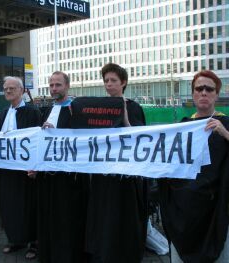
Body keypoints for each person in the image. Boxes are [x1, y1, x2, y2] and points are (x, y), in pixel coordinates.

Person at [160, 70, 229, 262]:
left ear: (216, 94)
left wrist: (225, 133)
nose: (204, 93)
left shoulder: (226, 124)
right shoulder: (182, 126)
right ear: (193, 94)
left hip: (215, 210)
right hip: (183, 211)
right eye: (199, 88)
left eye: (209, 89)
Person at [85, 63, 148, 263]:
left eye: (113, 80)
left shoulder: (133, 107)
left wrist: (125, 115)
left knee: (123, 215)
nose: (109, 84)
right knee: (103, 215)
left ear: (124, 83)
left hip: (125, 176)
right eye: (106, 81)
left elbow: (139, 138)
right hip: (103, 173)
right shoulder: (98, 107)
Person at [38, 71, 89, 263]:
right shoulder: (45, 110)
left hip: (70, 178)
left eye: (57, 85)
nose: (53, 89)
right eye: (51, 85)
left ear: (67, 86)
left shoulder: (76, 110)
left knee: (68, 219)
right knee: (50, 218)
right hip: (48, 177)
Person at [0, 76, 41, 260]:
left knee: (28, 206)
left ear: (21, 91)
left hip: (25, 170)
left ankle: (34, 242)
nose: (8, 91)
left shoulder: (32, 112)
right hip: (6, 169)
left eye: (12, 88)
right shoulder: (3, 113)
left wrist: (35, 166)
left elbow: (37, 141)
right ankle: (16, 239)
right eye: (5, 89)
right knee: (10, 205)